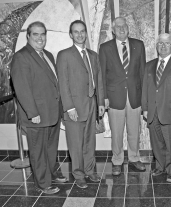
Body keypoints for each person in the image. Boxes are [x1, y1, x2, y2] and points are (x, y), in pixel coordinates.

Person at [11, 21, 67, 195]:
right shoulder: (22, 56)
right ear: (28, 36)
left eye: (42, 34)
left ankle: (51, 174)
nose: (40, 38)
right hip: (37, 115)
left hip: (52, 112)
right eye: (35, 34)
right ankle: (43, 183)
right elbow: (22, 88)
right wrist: (32, 112)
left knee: (50, 148)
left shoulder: (48, 55)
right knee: (38, 151)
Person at [57, 20, 105, 189]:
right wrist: (69, 107)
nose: (79, 34)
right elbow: (63, 83)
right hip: (74, 108)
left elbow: (99, 80)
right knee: (76, 143)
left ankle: (90, 171)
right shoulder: (64, 55)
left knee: (90, 141)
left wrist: (100, 102)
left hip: (92, 104)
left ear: (86, 33)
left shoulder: (93, 55)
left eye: (82, 31)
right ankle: (78, 174)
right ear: (71, 35)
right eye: (76, 32)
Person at [99, 17, 146, 175]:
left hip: (135, 96)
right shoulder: (105, 48)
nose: (121, 29)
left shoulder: (138, 45)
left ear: (128, 28)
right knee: (117, 132)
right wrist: (104, 96)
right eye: (118, 27)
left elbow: (142, 73)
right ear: (113, 30)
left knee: (134, 131)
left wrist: (144, 98)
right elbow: (102, 76)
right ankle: (117, 160)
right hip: (114, 97)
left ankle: (134, 158)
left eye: (124, 26)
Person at [142, 33, 171, 182]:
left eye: (167, 43)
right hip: (153, 112)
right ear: (157, 46)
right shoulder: (149, 65)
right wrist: (145, 107)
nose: (163, 46)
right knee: (156, 143)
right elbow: (145, 88)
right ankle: (160, 166)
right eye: (160, 43)